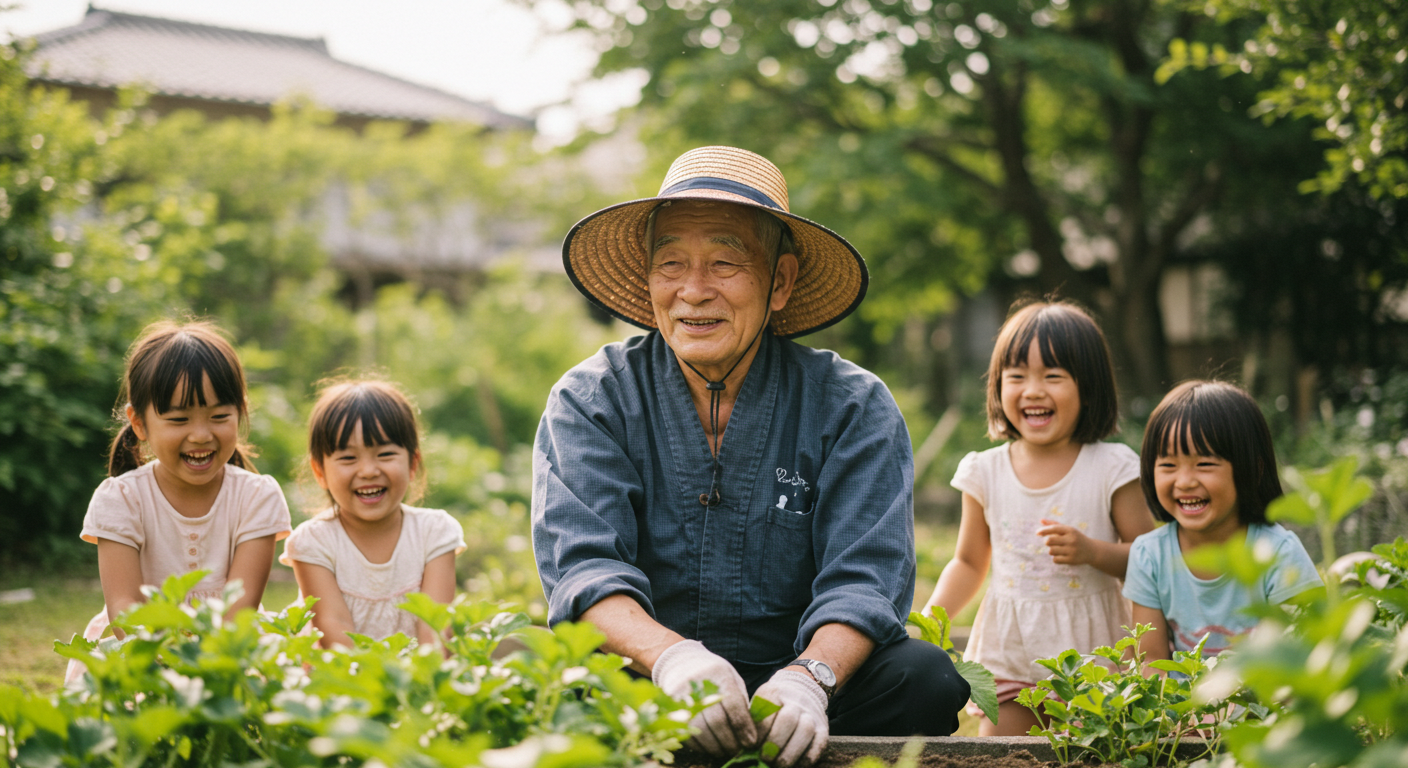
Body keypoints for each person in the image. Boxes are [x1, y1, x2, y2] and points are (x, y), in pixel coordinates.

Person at [533, 146, 970, 767]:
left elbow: (865, 580)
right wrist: (674, 660)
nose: (693, 290)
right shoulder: (593, 398)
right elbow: (584, 570)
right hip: (654, 679)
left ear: (781, 282)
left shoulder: (852, 405)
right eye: (672, 264)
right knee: (539, 670)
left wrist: (809, 680)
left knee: (923, 677)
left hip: (809, 688)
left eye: (724, 263)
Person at [920, 300, 1157, 736]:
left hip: (1095, 659)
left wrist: (1093, 552)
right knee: (1003, 756)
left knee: (1093, 754)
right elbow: (970, 562)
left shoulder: (1110, 468)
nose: (1032, 390)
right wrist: (930, 622)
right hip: (1010, 651)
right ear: (997, 387)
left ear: (1090, 388)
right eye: (1017, 376)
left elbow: (1150, 560)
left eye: (1052, 376)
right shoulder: (985, 472)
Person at [67, 320, 291, 685]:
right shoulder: (121, 500)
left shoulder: (256, 498)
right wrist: (165, 671)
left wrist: (204, 675)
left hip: (229, 652)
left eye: (219, 416)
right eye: (179, 419)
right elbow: (125, 608)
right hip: (140, 650)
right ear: (139, 423)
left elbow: (240, 610)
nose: (201, 435)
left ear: (241, 412)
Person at [1125, 380, 1322, 662]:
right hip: (1184, 704)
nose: (1184, 481)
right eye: (1168, 465)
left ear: (1252, 469)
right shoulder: (1149, 556)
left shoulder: (1279, 553)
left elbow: (1301, 656)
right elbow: (1151, 663)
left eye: (1204, 464)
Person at [281, 379, 464, 650]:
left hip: (417, 682)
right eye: (348, 458)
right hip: (340, 683)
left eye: (385, 454)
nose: (368, 471)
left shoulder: (435, 533)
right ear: (320, 471)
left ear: (413, 463)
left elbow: (435, 630)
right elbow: (336, 633)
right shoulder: (313, 542)